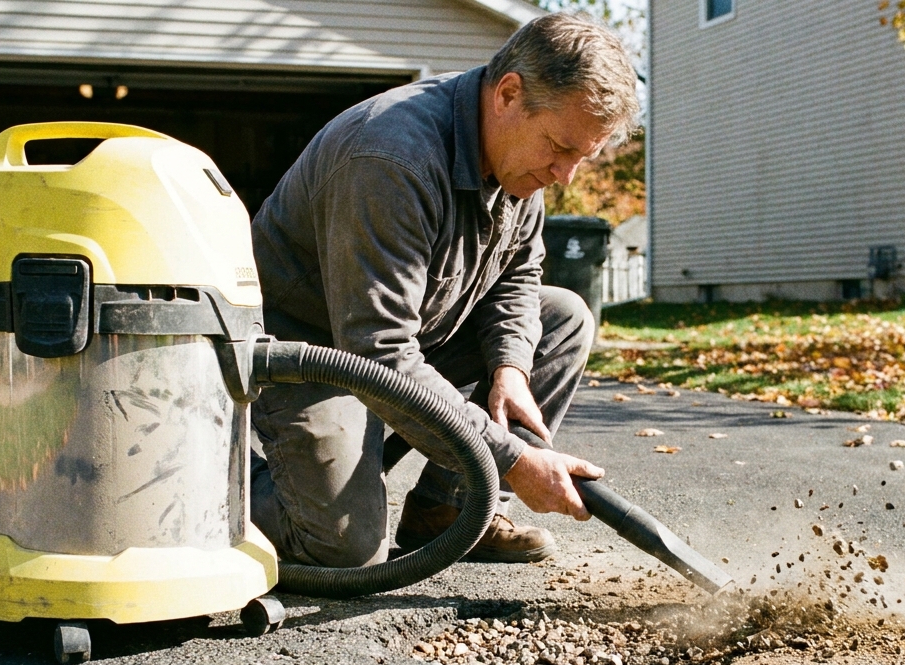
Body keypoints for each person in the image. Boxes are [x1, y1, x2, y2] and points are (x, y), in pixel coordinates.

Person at [249, 12, 640, 567]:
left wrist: (511, 368)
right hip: (307, 356)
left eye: (582, 156)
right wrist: (512, 461)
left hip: (404, 338)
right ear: (508, 94)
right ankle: (218, 474)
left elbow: (519, 275)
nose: (566, 175)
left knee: (564, 318)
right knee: (345, 545)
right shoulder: (390, 158)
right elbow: (378, 354)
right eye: (560, 148)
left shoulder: (520, 157)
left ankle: (452, 510)